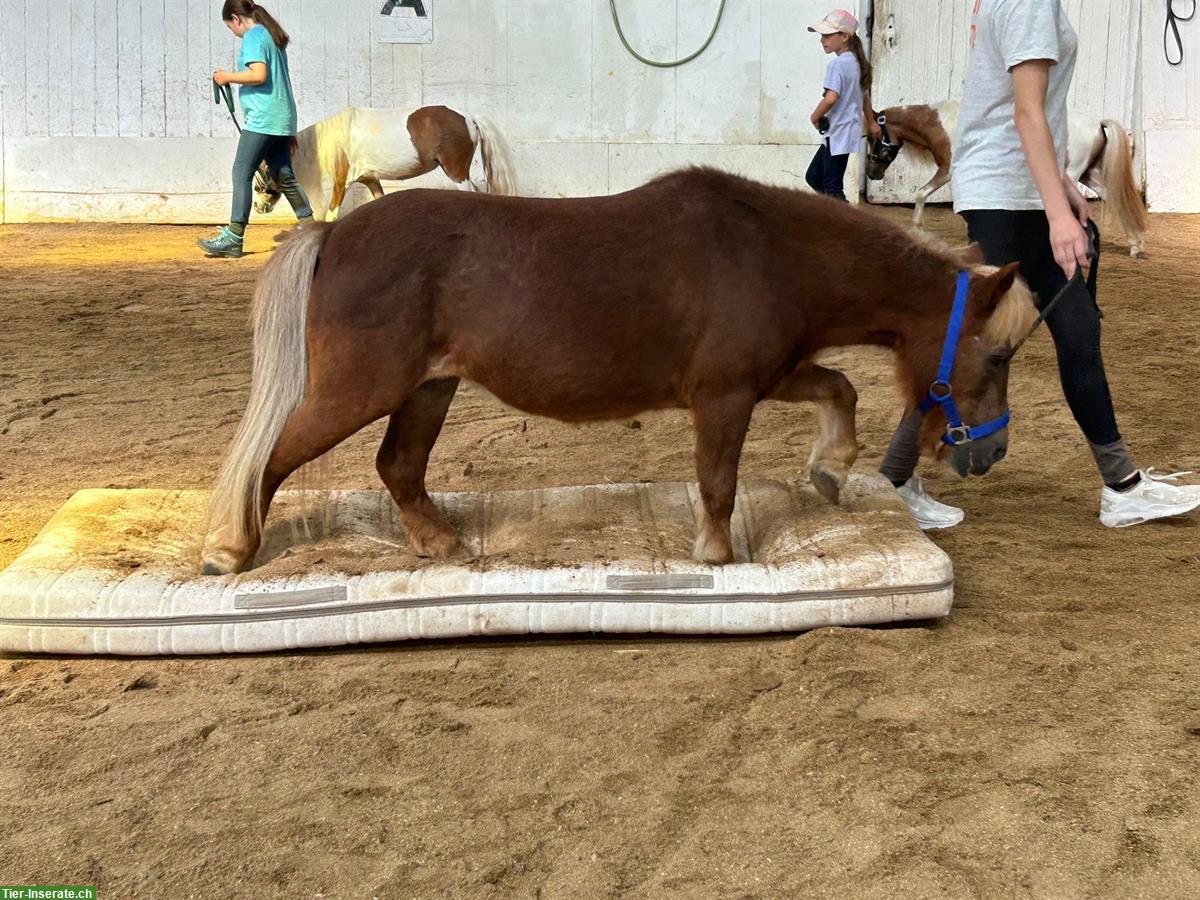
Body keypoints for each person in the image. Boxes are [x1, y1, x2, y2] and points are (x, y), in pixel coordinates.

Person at [880, 0, 1200, 529]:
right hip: (1008, 192)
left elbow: (1032, 111)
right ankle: (893, 481)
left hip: (1021, 189)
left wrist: (1061, 189)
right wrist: (1057, 213)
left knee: (1078, 330)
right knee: (976, 341)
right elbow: (1025, 112)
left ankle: (1122, 487)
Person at [198, 0, 314, 259]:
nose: (235, 33)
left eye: (232, 28)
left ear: (237, 19)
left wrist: (226, 76)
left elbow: (259, 75)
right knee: (284, 176)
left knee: (242, 172)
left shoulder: (253, 36)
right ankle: (312, 230)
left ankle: (234, 237)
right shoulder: (272, 36)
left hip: (263, 118)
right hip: (281, 117)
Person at [805, 9, 874, 201]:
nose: (822, 40)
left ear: (844, 36)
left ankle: (846, 224)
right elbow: (865, 97)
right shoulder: (857, 62)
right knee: (814, 178)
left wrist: (814, 117)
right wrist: (872, 122)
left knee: (832, 188)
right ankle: (833, 216)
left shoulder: (837, 65)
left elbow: (831, 98)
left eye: (827, 35)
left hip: (837, 133)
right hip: (845, 131)